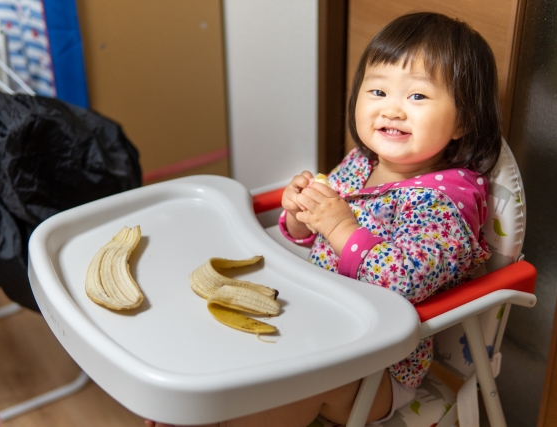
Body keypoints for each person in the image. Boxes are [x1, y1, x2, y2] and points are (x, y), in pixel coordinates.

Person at [146, 11, 501, 427]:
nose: (393, 110)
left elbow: (405, 280)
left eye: (417, 97)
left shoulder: (446, 202)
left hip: (378, 367)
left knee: (294, 387)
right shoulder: (360, 163)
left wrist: (340, 226)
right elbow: (311, 234)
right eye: (378, 90)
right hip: (318, 323)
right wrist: (299, 215)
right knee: (221, 341)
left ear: (463, 120)